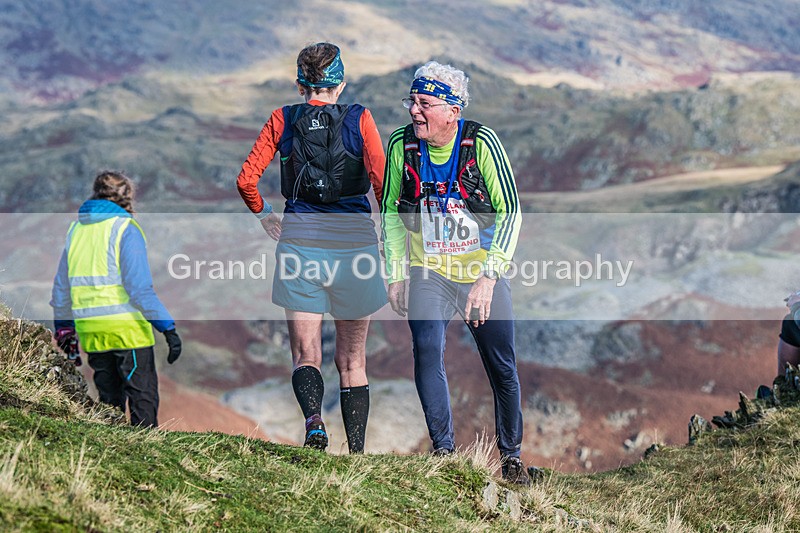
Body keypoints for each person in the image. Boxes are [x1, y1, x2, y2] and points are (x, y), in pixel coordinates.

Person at [380, 61, 531, 484]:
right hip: (427, 270)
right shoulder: (402, 145)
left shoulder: (481, 143)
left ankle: (511, 457)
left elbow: (511, 212)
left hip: (480, 273)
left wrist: (489, 277)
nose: (414, 111)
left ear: (452, 111)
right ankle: (444, 452)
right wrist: (395, 273)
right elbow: (390, 211)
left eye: (424, 103)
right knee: (426, 348)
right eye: (411, 101)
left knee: (501, 364)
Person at [236, 42, 386, 453]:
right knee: (353, 360)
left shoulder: (282, 119)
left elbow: (246, 180)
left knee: (306, 354)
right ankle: (357, 453)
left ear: (301, 85)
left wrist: (266, 214)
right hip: (354, 247)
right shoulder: (360, 118)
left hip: (300, 245)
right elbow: (382, 182)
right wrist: (388, 236)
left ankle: (314, 424)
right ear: (341, 83)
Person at [50, 171, 182, 428]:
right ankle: (146, 450)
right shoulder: (125, 229)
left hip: (92, 331)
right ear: (127, 197)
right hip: (127, 330)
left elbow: (61, 288)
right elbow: (139, 288)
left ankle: (112, 449)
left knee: (109, 404)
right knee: (142, 399)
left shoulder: (76, 230)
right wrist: (168, 328)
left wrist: (64, 329)